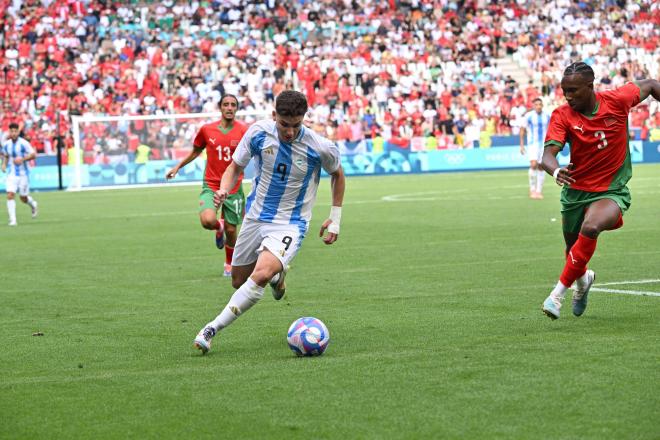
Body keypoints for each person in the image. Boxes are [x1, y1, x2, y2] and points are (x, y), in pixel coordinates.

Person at [193, 90, 345, 354]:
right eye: (284, 125)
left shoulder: (319, 146)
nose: (289, 131)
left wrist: (335, 218)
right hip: (256, 216)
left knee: (260, 274)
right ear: (274, 116)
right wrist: (223, 190)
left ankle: (211, 329)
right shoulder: (258, 134)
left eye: (296, 125)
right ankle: (279, 275)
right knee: (239, 281)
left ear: (304, 119)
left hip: (290, 223)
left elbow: (338, 175)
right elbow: (234, 168)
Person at [540, 62, 660, 320]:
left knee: (591, 226)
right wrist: (556, 170)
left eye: (573, 90)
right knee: (573, 253)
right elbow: (547, 155)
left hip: (611, 191)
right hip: (575, 193)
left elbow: (650, 85)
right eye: (565, 91)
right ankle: (583, 283)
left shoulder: (616, 101)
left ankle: (556, 296)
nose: (568, 96)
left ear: (590, 86)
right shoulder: (562, 115)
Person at [166, 95, 247, 277]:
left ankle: (229, 263)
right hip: (211, 184)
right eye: (226, 104)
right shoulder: (207, 130)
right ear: (220, 107)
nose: (229, 108)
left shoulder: (243, 131)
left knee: (232, 230)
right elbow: (196, 151)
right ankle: (218, 228)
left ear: (237, 109)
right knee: (207, 221)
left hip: (233, 187)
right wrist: (178, 166)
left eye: (233, 105)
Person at [1, 123, 38, 226]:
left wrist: (22, 159)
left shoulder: (24, 143)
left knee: (23, 198)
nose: (13, 133)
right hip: (12, 174)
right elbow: (6, 155)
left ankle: (33, 204)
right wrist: (4, 164)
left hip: (23, 175)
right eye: (11, 131)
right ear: (9, 132)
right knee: (10, 195)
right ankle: (13, 220)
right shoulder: (7, 144)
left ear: (18, 132)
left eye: (15, 131)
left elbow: (34, 155)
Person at [519, 97, 551, 199]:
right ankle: (532, 189)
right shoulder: (528, 116)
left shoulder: (547, 116)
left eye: (540, 105)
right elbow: (522, 130)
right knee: (533, 164)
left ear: (542, 106)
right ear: (533, 106)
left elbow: (551, 129)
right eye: (536, 105)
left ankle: (538, 191)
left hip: (544, 145)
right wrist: (522, 145)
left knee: (541, 166)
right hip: (533, 144)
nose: (538, 106)